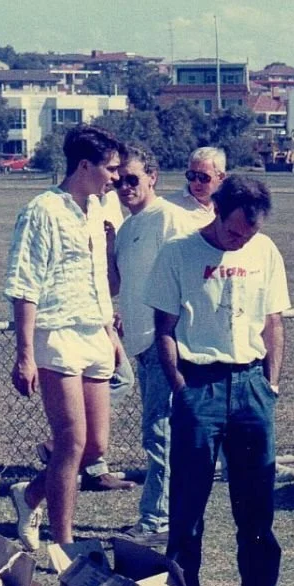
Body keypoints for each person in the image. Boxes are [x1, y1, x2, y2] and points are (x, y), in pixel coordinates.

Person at [147, 176, 289, 586]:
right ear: (215, 211)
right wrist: (181, 389)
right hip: (199, 387)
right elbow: (164, 328)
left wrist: (270, 385)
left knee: (257, 510)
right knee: (187, 511)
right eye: (233, 233)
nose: (240, 241)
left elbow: (273, 323)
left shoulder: (264, 251)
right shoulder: (178, 253)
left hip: (250, 387)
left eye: (248, 234)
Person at [5, 124, 124, 551]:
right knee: (71, 441)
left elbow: (98, 281)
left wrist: (110, 332)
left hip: (95, 333)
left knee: (94, 447)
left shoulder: (99, 211)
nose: (115, 178)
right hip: (56, 336)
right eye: (110, 169)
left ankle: (30, 494)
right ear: (85, 165)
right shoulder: (42, 211)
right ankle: (65, 544)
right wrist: (24, 355)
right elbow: (24, 285)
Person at [113, 145, 192, 546]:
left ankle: (157, 519)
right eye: (118, 180)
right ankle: (167, 514)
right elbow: (118, 284)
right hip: (140, 344)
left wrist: (175, 338)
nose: (124, 187)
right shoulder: (127, 228)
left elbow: (191, 276)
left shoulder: (171, 219)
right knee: (159, 434)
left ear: (152, 177)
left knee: (159, 434)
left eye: (133, 179)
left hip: (167, 344)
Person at [167, 146, 227, 228]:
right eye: (191, 175)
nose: (197, 182)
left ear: (220, 177)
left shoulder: (229, 207)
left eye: (203, 177)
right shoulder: (169, 207)